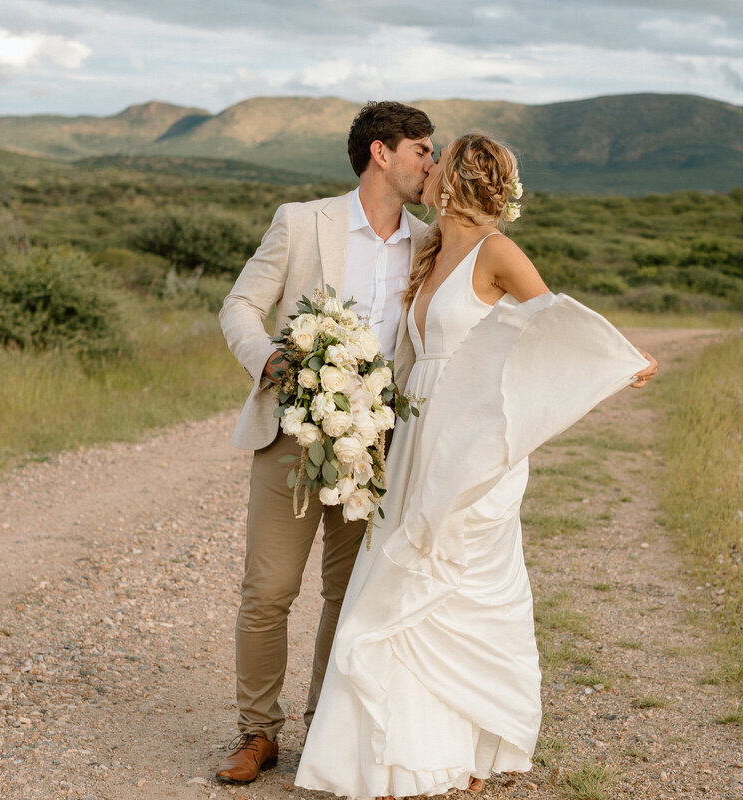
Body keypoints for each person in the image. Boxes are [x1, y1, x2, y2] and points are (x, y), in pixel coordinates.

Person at [295, 133, 658, 798]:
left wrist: (622, 355)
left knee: (461, 580)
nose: (426, 172)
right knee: (399, 576)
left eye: (437, 163)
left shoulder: (498, 251)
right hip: (416, 436)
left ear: (458, 180)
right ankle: (402, 750)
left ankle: (470, 740)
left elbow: (554, 321)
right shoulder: (431, 249)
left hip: (470, 442)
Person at [215, 101, 436, 784]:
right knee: (269, 590)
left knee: (351, 593)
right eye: (422, 150)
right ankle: (257, 733)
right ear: (381, 152)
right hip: (291, 430)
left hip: (376, 445)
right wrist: (267, 358)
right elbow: (240, 305)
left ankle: (327, 732)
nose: (431, 162)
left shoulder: (429, 242)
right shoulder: (301, 221)